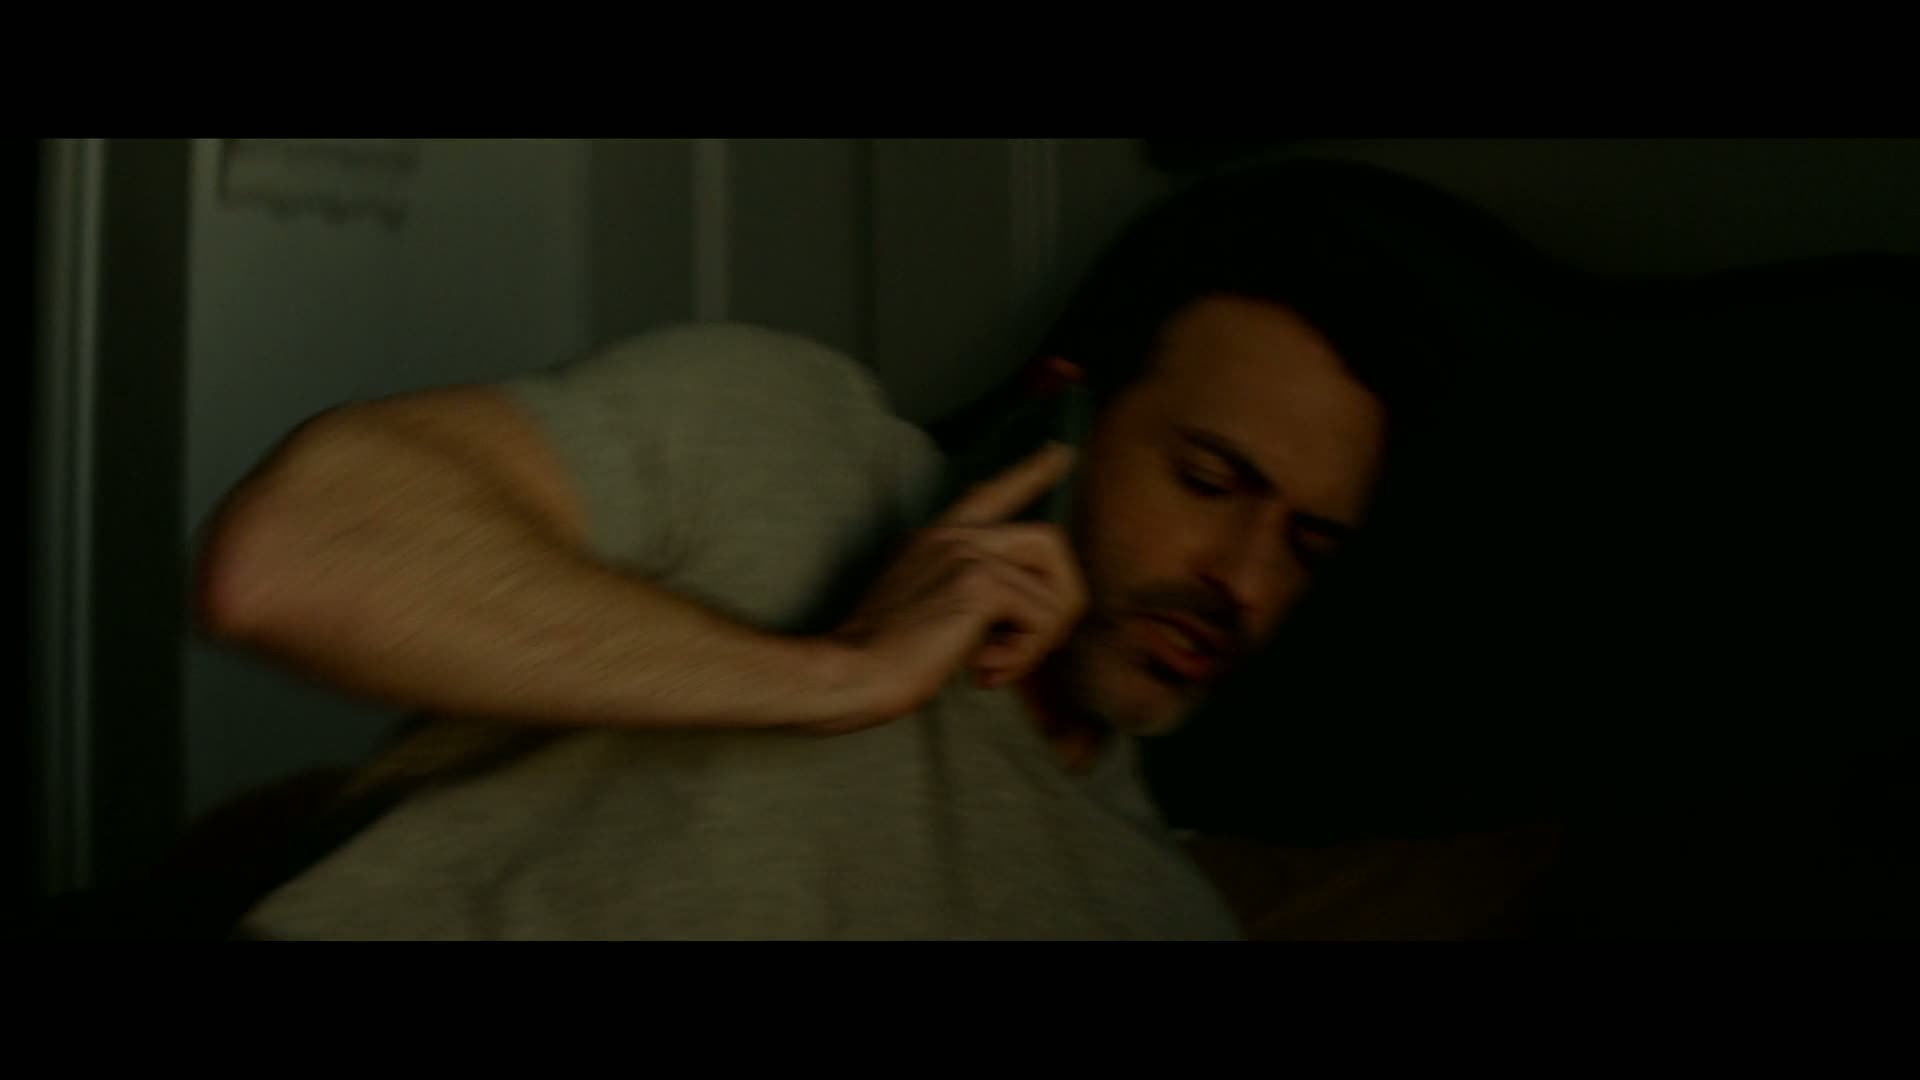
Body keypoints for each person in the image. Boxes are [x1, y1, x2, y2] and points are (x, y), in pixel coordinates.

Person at [194, 160, 1444, 940]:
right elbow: (296, 557)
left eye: (1308, 545)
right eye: (1209, 481)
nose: (1244, 580)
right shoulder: (789, 430)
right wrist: (840, 675)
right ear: (1064, 411)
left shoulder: (1156, 913)